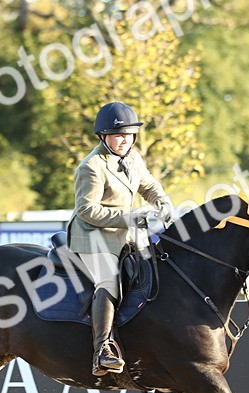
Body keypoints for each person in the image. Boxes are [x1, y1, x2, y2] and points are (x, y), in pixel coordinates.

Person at [70, 101, 174, 376]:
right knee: (109, 280)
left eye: (128, 134)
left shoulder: (133, 158)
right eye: (117, 135)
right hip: (93, 235)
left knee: (156, 269)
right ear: (103, 136)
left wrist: (162, 201)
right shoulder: (92, 166)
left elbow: (148, 185)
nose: (124, 140)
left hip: (127, 233)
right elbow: (86, 210)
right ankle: (102, 349)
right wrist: (128, 218)